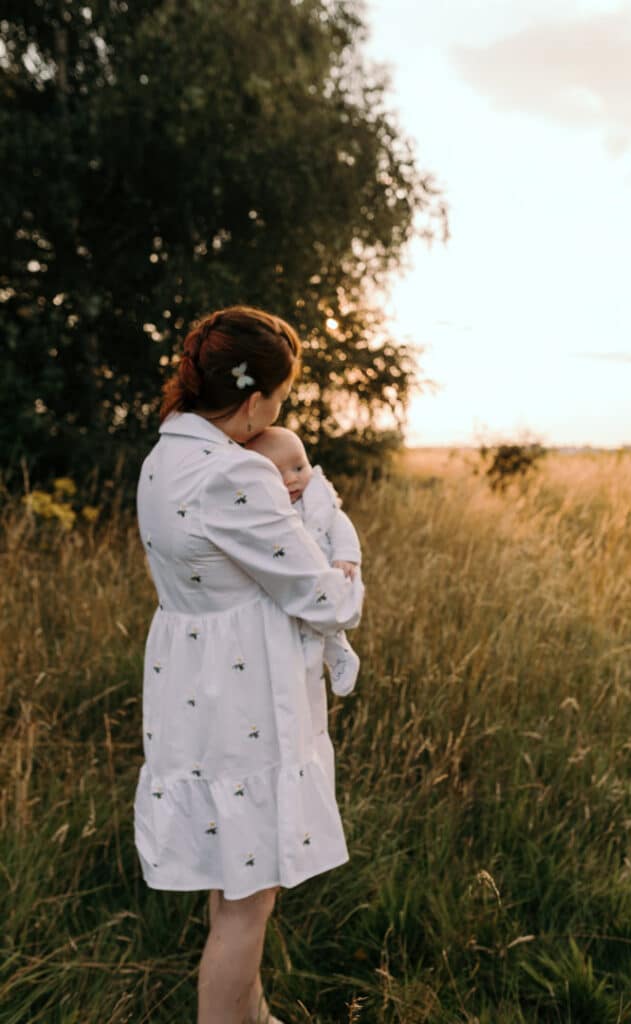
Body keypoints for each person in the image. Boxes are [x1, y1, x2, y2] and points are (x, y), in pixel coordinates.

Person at [135, 306, 365, 1024]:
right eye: (282, 396)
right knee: (249, 899)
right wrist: (347, 560)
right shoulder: (232, 475)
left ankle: (254, 1016)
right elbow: (325, 600)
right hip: (243, 701)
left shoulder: (164, 457)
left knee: (235, 872)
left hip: (195, 684)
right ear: (257, 397)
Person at [244, 426, 361, 699]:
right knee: (303, 632)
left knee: (327, 625)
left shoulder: (317, 500)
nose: (292, 480)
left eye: (299, 467)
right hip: (293, 582)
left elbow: (341, 526)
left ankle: (340, 654)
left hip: (324, 572)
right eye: (278, 474)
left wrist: (345, 556)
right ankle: (316, 665)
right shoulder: (267, 509)